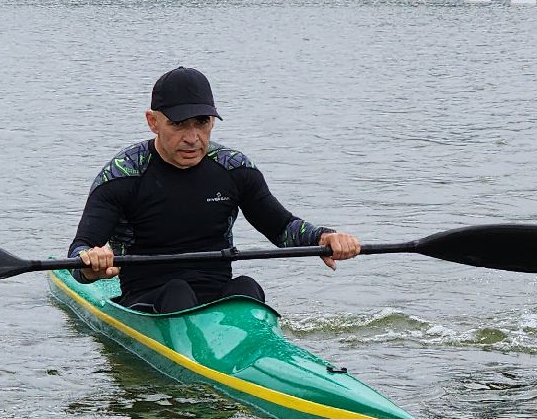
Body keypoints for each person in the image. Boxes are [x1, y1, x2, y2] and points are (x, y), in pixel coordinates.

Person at [68, 67, 361, 313]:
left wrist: (324, 237)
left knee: (248, 289)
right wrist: (91, 265)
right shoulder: (123, 174)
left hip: (218, 294)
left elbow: (283, 229)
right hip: (148, 301)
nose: (193, 137)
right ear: (153, 122)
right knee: (178, 293)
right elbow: (78, 253)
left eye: (202, 123)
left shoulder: (234, 169)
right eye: (179, 124)